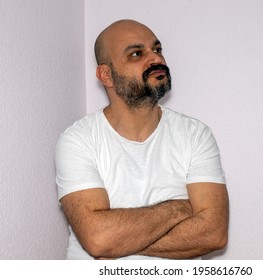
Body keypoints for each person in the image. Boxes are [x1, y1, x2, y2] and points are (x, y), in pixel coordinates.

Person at [54, 19, 229, 260]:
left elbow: (214, 234)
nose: (156, 59)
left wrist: (117, 239)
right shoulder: (78, 140)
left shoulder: (195, 135)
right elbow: (97, 238)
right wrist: (180, 208)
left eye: (157, 50)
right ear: (106, 75)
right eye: (137, 53)